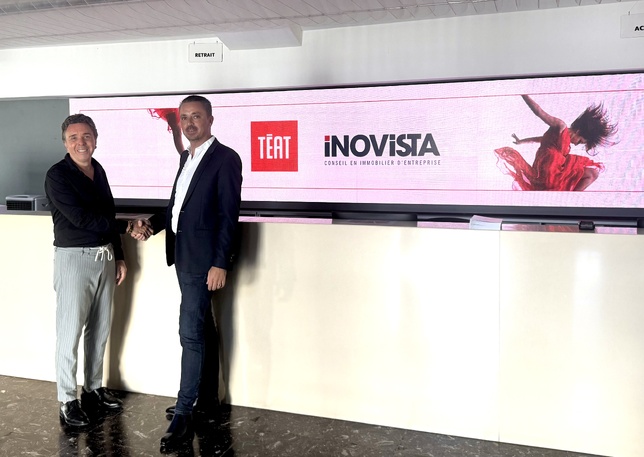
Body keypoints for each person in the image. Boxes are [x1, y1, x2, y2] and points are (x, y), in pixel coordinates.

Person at [145, 95, 243, 452]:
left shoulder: (225, 158)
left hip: (204, 262)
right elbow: (177, 208)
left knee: (189, 333)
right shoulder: (186, 158)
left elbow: (228, 215)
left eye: (196, 116)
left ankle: (184, 414)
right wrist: (151, 224)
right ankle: (208, 400)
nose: (188, 122)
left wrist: (221, 262)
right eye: (184, 117)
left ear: (210, 120)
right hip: (183, 256)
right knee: (203, 328)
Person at [44, 114, 149, 428]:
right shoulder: (57, 175)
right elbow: (81, 219)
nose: (81, 142)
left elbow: (107, 212)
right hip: (74, 259)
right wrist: (127, 227)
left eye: (87, 136)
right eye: (74, 137)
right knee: (70, 333)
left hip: (105, 258)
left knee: (100, 329)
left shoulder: (98, 169)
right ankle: (67, 400)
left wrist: (119, 255)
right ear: (65, 143)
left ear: (96, 140)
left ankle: (92, 390)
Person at [494, 94, 618, 191]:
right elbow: (539, 112)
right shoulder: (560, 126)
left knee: (592, 173)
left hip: (551, 170)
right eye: (580, 141)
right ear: (578, 131)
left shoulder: (557, 140)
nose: (576, 144)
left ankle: (570, 198)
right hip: (550, 171)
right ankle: (571, 199)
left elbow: (538, 139)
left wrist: (521, 141)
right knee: (592, 172)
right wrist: (523, 94)